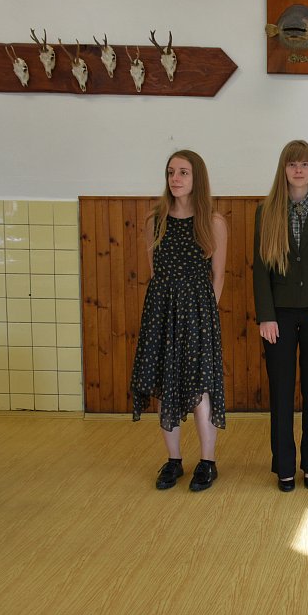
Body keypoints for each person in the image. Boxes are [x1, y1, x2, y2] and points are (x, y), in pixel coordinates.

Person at [131, 150, 228, 492]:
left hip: (199, 315)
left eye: (183, 172)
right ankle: (173, 460)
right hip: (161, 312)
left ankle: (207, 461)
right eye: (171, 172)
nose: (175, 178)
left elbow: (218, 277)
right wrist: (166, 310)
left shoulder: (212, 222)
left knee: (200, 389)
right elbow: (155, 272)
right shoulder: (154, 221)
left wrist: (204, 317)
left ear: (196, 177)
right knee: (165, 384)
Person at [254, 140, 308, 492]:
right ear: (284, 169)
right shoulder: (267, 211)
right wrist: (265, 316)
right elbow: (260, 268)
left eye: (304, 164)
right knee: (281, 391)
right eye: (292, 164)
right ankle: (284, 467)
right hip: (278, 316)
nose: (298, 170)